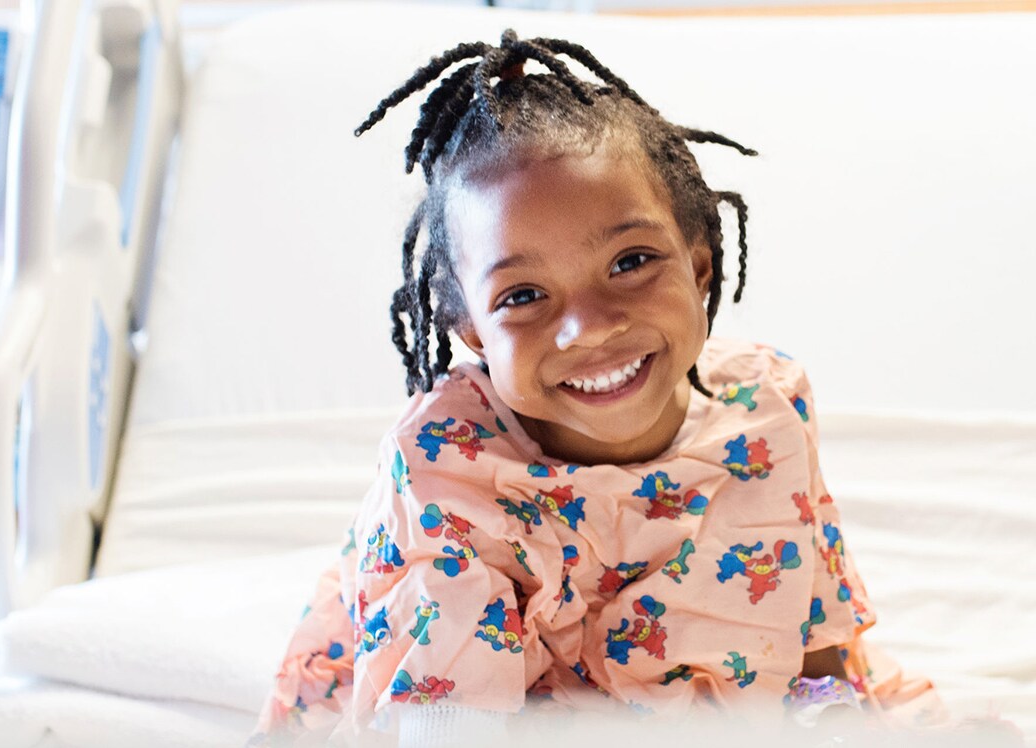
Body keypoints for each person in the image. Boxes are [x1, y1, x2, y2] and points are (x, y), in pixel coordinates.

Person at [249, 30, 952, 746]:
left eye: (632, 261)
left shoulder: (768, 406)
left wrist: (827, 720)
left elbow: (812, 635)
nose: (587, 327)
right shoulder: (445, 471)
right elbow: (444, 725)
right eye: (523, 295)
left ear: (699, 267)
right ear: (472, 339)